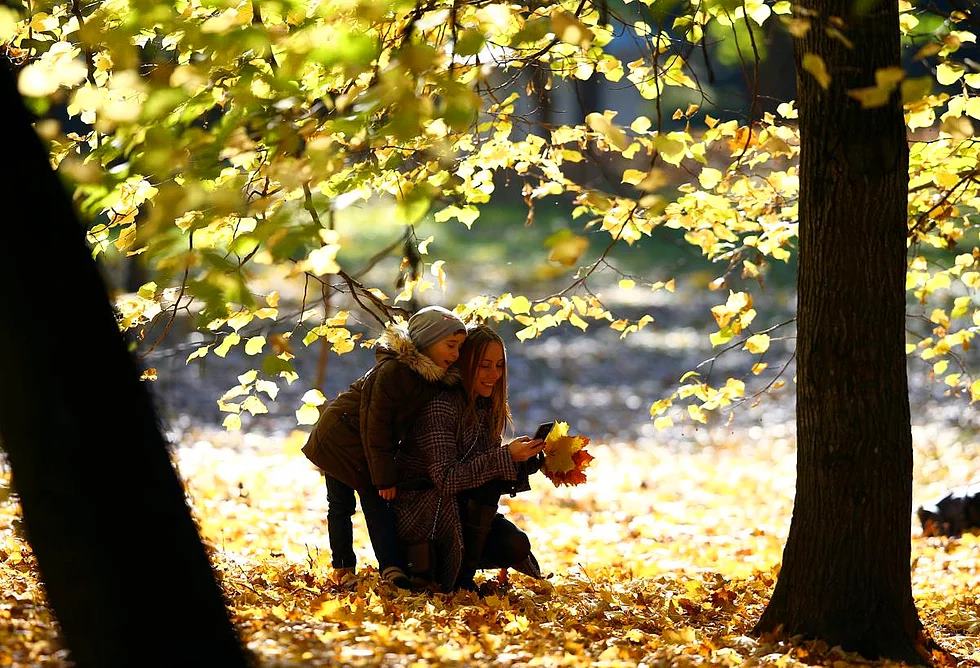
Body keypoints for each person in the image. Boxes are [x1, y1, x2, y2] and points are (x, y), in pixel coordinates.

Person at [302, 306, 467, 588]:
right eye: (450, 346)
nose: (455, 355)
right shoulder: (393, 372)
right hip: (340, 438)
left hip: (366, 444)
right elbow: (375, 425)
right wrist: (384, 477)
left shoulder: (432, 376)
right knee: (343, 504)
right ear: (426, 341)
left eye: (459, 348)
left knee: (377, 503)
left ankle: (391, 567)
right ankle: (345, 567)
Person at [394, 325, 547, 592]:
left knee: (516, 544)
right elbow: (447, 478)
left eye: (499, 365)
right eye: (484, 365)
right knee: (486, 498)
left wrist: (532, 461)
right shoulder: (442, 406)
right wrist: (506, 455)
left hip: (463, 507)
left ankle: (462, 566)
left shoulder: (487, 406)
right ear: (465, 364)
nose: (494, 375)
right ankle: (459, 579)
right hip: (425, 511)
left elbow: (486, 469)